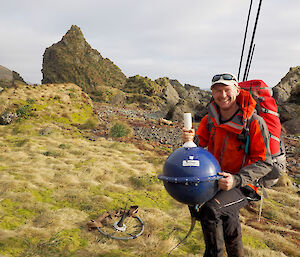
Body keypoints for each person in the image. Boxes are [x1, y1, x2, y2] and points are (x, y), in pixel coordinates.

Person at [182, 73, 273, 257]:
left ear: (237, 91)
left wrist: (236, 179)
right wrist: (190, 140)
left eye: (226, 90)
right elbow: (200, 144)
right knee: (228, 220)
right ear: (212, 93)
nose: (222, 95)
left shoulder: (254, 123)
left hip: (246, 185)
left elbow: (264, 162)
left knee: (210, 210)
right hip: (216, 181)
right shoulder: (211, 119)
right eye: (217, 90)